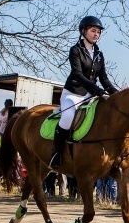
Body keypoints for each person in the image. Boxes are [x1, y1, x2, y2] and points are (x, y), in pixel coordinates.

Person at [51, 16, 119, 169]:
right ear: (84, 31)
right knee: (68, 116)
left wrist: (117, 94)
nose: (96, 34)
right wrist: (96, 90)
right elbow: (78, 75)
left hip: (90, 95)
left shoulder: (99, 54)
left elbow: (104, 79)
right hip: (72, 93)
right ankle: (55, 152)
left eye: (98, 32)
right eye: (93, 31)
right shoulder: (75, 50)